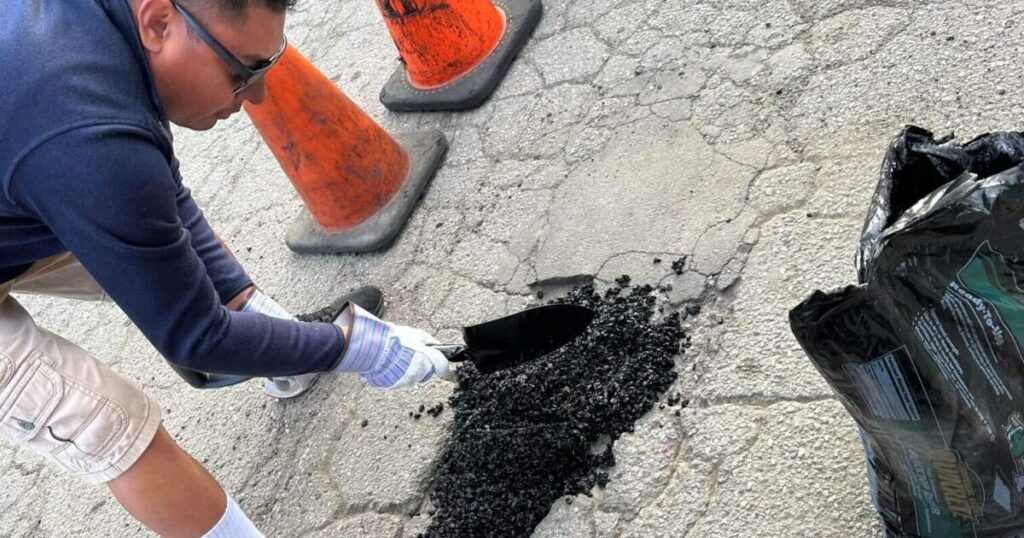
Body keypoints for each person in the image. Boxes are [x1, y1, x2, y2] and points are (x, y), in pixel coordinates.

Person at [0, 1, 450, 536]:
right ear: (159, 21)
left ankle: (288, 359)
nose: (256, 95)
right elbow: (196, 337)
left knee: (153, 243)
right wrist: (350, 348)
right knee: (105, 422)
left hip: (32, 183)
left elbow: (159, 197)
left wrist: (287, 336)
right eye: (244, 71)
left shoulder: (105, 46)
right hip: (55, 164)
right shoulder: (90, 141)